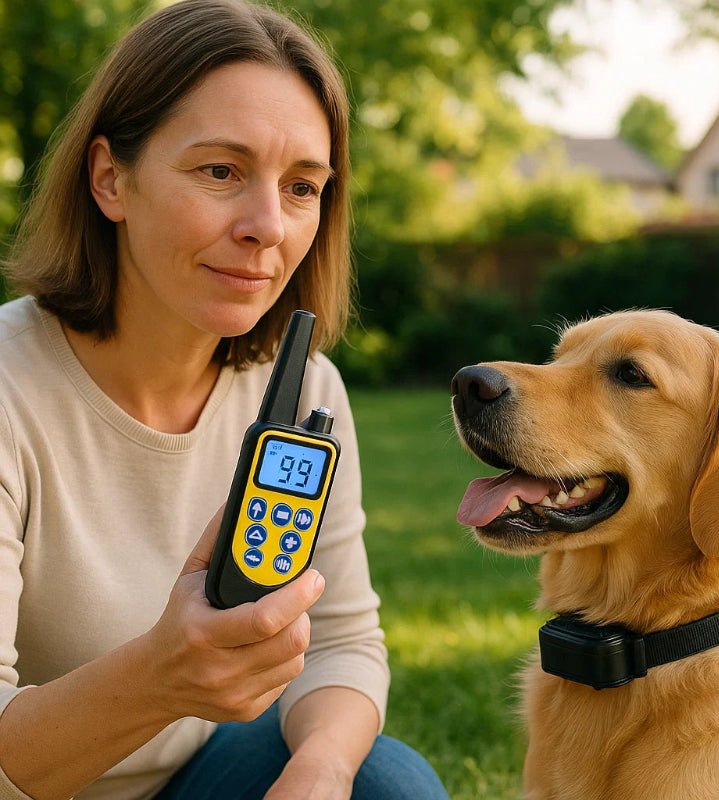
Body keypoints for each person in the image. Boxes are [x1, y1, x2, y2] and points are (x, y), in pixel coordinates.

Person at [0, 1, 450, 798]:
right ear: (110, 179)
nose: (268, 227)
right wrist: (159, 679)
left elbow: (344, 643)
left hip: (200, 779)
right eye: (221, 171)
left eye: (303, 186)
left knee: (387, 784)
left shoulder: (304, 388)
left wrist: (318, 771)